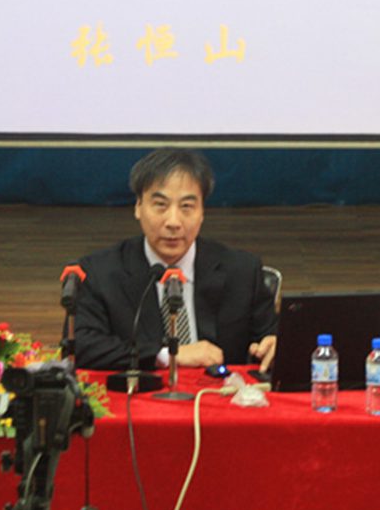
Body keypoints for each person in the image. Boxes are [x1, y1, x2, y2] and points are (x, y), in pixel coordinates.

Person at [74, 148, 277, 372]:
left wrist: (275, 345)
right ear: (138, 207)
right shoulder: (100, 272)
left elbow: (270, 337)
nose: (173, 222)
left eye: (186, 207)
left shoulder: (242, 271)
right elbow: (85, 348)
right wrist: (167, 355)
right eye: (160, 205)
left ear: (202, 212)